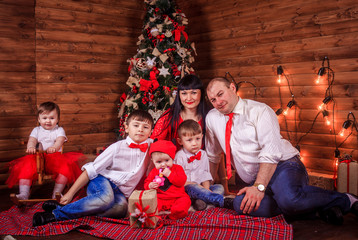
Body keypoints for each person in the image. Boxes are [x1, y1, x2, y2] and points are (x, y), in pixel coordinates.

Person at [205, 77, 358, 225]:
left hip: (283, 165)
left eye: (220, 94)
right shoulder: (212, 118)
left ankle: (346, 200)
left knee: (288, 199)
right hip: (256, 178)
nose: (218, 102)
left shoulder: (259, 110)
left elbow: (271, 153)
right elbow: (213, 156)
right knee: (240, 204)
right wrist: (207, 190)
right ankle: (319, 210)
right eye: (213, 100)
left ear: (232, 88)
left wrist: (259, 187)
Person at [32, 110, 154, 227]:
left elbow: (167, 149)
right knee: (106, 198)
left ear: (151, 131)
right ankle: (56, 214)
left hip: (120, 192)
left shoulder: (152, 146)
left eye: (145, 127)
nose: (140, 129)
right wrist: (69, 194)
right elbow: (90, 170)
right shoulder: (116, 148)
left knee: (120, 210)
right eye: (136, 125)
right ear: (126, 128)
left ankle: (68, 208)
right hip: (101, 180)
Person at [6, 101, 83, 200]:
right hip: (37, 158)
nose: (48, 121)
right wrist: (30, 147)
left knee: (65, 169)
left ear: (58, 119)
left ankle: (57, 193)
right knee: (25, 167)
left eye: (52, 118)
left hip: (55, 158)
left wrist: (54, 147)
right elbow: (32, 140)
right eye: (44, 118)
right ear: (39, 119)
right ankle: (24, 194)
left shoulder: (59, 130)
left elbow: (60, 140)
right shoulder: (36, 130)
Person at [175, 119, 229, 211]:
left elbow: (205, 174)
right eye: (189, 140)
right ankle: (222, 201)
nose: (194, 143)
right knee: (194, 187)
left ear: (202, 137)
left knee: (219, 187)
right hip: (187, 188)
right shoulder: (179, 156)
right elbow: (178, 180)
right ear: (180, 141)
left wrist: (206, 189)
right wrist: (196, 186)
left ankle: (201, 201)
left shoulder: (203, 154)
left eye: (198, 139)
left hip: (201, 188)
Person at [151, 74, 207, 148]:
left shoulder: (209, 117)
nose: (189, 98)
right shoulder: (168, 117)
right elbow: (154, 145)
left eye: (194, 93)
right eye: (184, 93)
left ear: (201, 94)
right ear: (179, 95)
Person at [144, 140, 191, 220]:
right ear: (153, 161)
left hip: (177, 197)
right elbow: (146, 183)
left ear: (172, 158)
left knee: (185, 201)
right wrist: (150, 185)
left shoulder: (178, 168)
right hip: (160, 198)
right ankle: (152, 214)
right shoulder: (154, 171)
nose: (163, 164)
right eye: (159, 162)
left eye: (167, 160)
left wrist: (170, 174)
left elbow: (181, 182)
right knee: (149, 206)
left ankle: (176, 213)